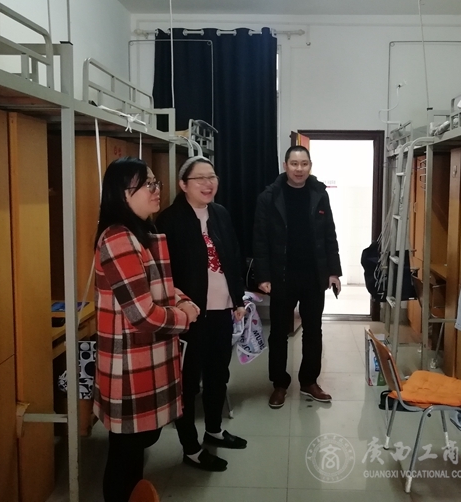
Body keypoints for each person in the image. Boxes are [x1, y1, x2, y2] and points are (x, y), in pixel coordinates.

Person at [93, 157, 199, 502]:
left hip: (146, 358)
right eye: (148, 185)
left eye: (156, 183)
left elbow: (158, 288)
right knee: (126, 452)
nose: (156, 190)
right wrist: (184, 317)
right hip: (130, 365)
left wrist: (183, 300)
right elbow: (143, 315)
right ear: (122, 194)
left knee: (136, 447)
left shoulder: (140, 233)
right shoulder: (117, 239)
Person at [156, 156, 248, 472]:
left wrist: (237, 299)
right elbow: (163, 274)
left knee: (218, 374)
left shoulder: (220, 214)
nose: (208, 184)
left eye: (212, 177)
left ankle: (214, 429)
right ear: (183, 185)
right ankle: (191, 448)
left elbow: (232, 257)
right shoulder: (169, 221)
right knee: (188, 382)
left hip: (222, 311)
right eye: (200, 178)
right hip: (189, 316)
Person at [253, 145, 342, 409]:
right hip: (282, 275)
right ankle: (279, 384)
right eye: (294, 164)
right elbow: (260, 239)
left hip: (314, 276)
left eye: (304, 164)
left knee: (313, 330)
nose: (299, 169)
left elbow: (329, 235)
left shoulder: (319, 194)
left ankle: (309, 381)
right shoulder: (269, 196)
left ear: (310, 166)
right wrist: (263, 275)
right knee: (279, 333)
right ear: (285, 166)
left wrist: (333, 272)